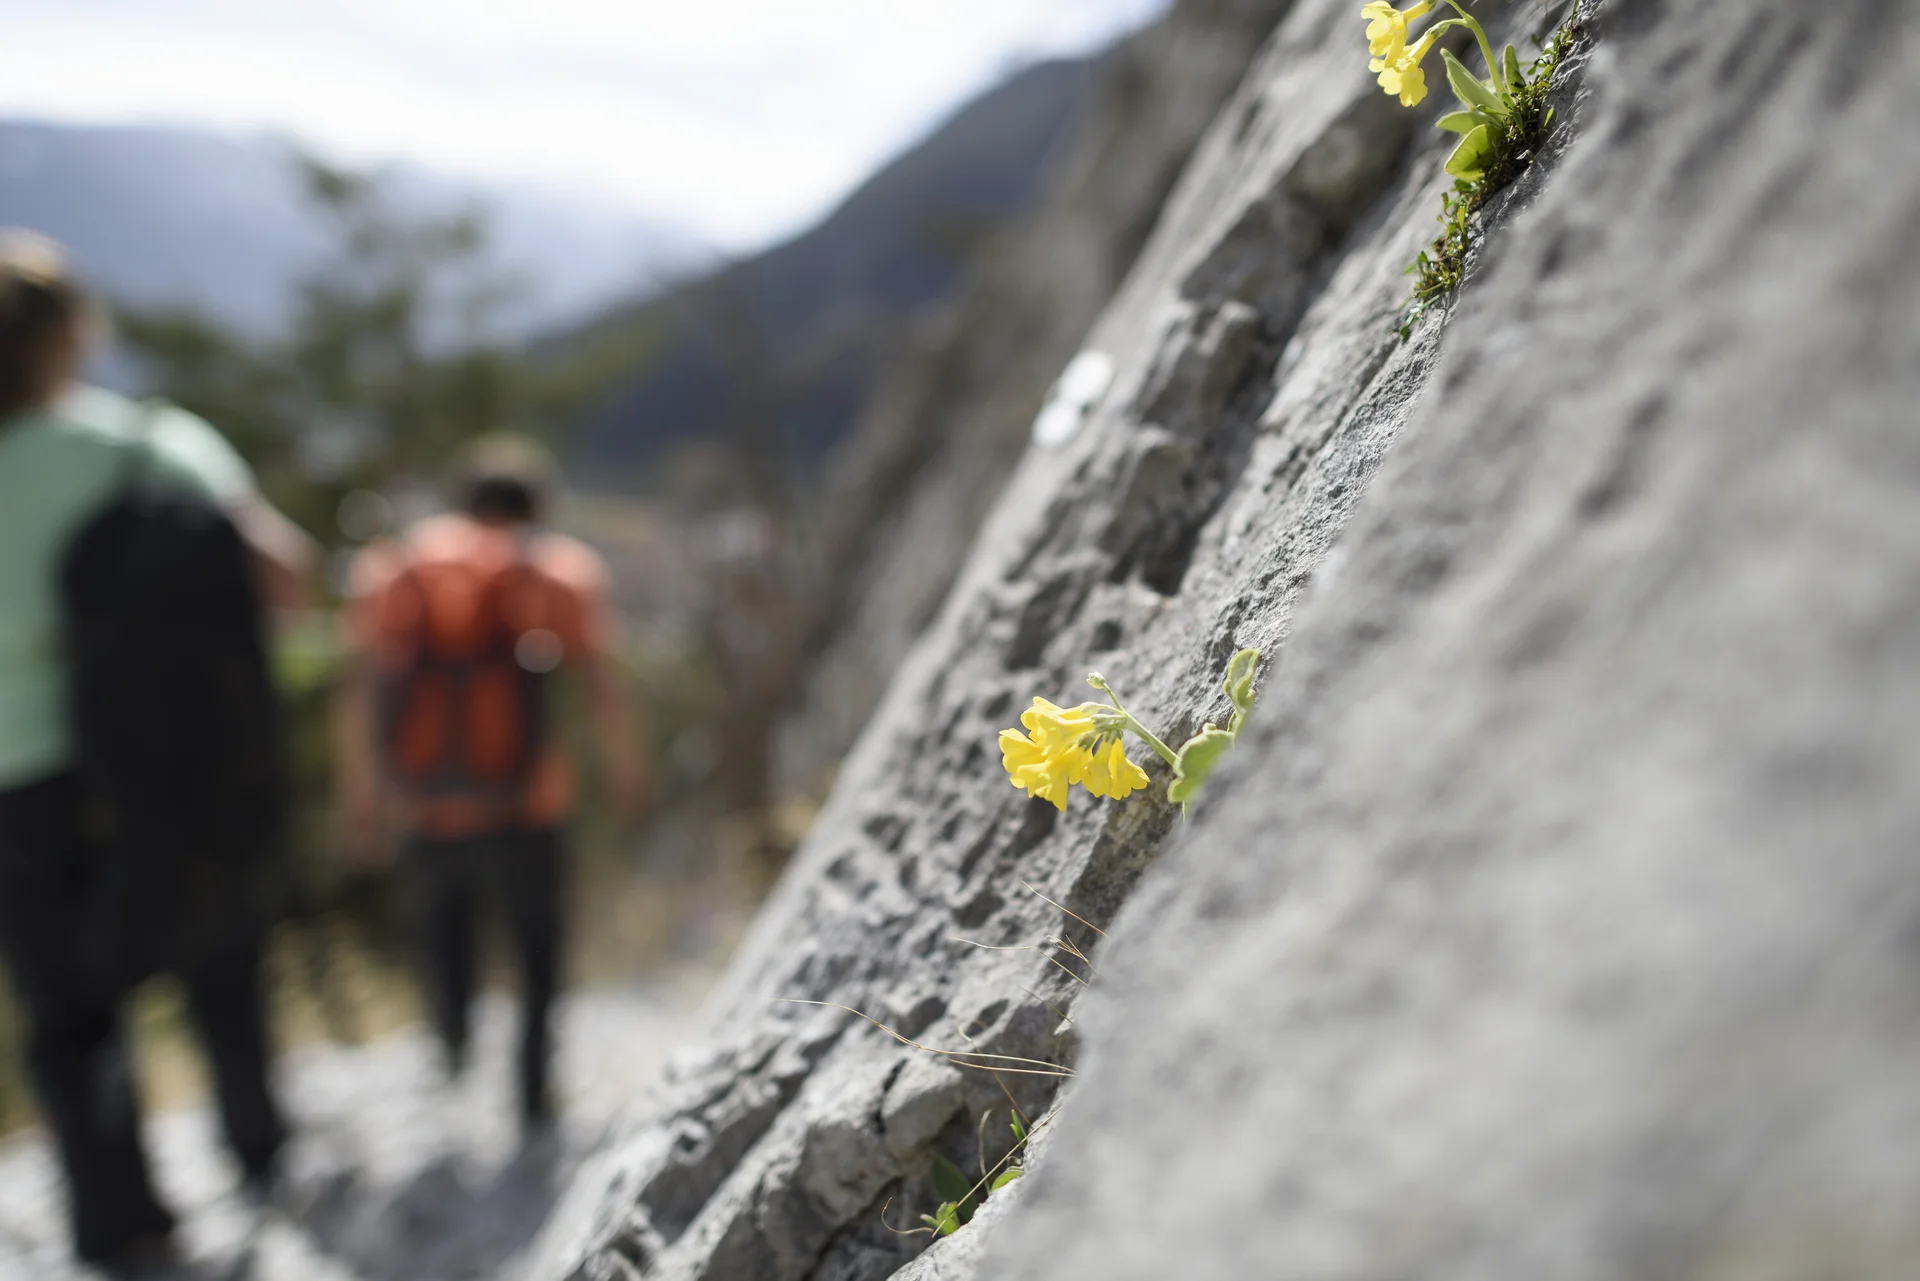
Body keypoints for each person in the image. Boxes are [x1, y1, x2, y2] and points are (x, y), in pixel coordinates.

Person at [0, 230, 316, 1273]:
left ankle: (124, 1229)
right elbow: (283, 575)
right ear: (71, 337)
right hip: (162, 761)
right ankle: (259, 1154)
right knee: (219, 956)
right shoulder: (146, 444)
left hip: (16, 784)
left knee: (68, 1017)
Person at [335, 435, 647, 1133]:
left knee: (446, 928)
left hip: (428, 800)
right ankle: (533, 1092)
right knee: (537, 945)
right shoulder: (560, 571)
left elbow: (360, 689)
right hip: (528, 799)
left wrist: (362, 794)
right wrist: (625, 769)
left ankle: (452, 1049)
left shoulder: (394, 571)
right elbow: (600, 685)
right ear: (537, 506)